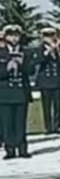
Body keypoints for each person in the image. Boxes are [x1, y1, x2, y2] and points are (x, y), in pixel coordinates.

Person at [0, 25, 31, 158]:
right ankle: (10, 149)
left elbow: (31, 70)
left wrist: (22, 65)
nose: (14, 38)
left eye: (16, 35)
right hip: (5, 92)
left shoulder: (25, 51)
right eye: (11, 35)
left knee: (20, 122)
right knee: (7, 122)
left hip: (21, 91)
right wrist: (7, 68)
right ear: (5, 37)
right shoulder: (1, 52)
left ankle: (22, 147)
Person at [32, 27, 60, 134]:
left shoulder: (59, 48)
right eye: (47, 36)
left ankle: (57, 126)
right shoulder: (40, 48)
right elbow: (38, 61)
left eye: (51, 35)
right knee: (46, 106)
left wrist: (58, 51)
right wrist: (47, 52)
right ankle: (48, 127)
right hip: (45, 81)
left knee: (57, 105)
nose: (49, 38)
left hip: (56, 80)